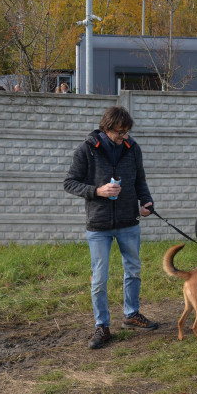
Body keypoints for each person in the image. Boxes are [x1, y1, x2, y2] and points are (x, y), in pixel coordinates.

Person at [64, 106, 158, 350]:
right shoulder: (87, 150)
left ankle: (131, 314)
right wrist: (97, 191)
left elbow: (140, 180)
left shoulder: (132, 148)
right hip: (99, 224)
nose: (124, 136)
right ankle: (102, 326)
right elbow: (69, 182)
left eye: (126, 132)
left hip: (129, 222)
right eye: (120, 132)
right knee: (100, 278)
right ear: (106, 128)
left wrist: (146, 202)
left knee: (134, 270)